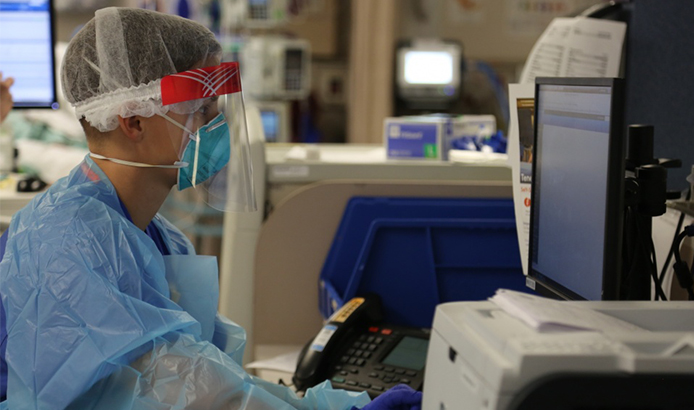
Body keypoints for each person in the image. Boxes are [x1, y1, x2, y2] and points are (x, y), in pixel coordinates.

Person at [0, 8, 422, 410]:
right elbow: (179, 388)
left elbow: (208, 376)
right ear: (133, 120)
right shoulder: (65, 243)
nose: (215, 126)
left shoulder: (155, 235)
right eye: (201, 110)